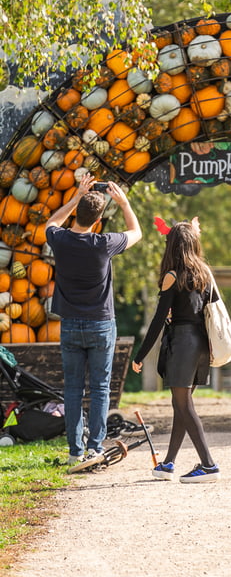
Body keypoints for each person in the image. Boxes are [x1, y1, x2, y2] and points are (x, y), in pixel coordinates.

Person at [45, 173, 142, 465]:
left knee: (73, 388)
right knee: (100, 388)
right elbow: (136, 232)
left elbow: (51, 222)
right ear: (98, 221)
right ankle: (94, 448)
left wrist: (75, 197)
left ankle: (75, 451)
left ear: (78, 214)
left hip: (71, 324)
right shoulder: (104, 243)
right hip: (101, 324)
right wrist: (124, 204)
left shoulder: (60, 240)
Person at [131, 216, 220, 483]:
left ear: (172, 247)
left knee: (184, 405)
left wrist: (140, 355)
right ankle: (168, 463)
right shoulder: (203, 273)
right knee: (180, 405)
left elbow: (158, 320)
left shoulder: (172, 276)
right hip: (201, 343)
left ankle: (208, 465)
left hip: (182, 343)